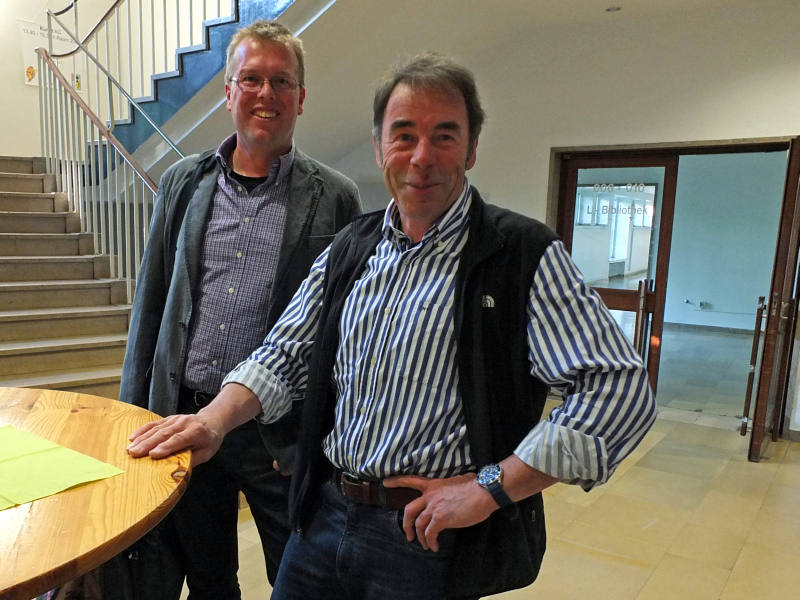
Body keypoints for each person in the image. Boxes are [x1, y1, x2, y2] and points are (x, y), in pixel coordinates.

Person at [128, 53, 656, 600]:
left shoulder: (520, 254)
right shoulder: (352, 248)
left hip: (427, 539)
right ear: (380, 147)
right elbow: (284, 354)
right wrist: (213, 421)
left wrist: (490, 487)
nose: (422, 157)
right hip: (325, 518)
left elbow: (620, 391)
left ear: (472, 149)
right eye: (404, 136)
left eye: (444, 136)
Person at [114, 19, 362, 600]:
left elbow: (343, 332)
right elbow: (151, 304)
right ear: (228, 92)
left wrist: (327, 435)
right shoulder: (182, 183)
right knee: (207, 576)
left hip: (281, 436)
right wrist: (133, 414)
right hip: (187, 418)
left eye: (281, 81)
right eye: (250, 79)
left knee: (300, 578)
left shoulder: (336, 197)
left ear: (301, 97)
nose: (265, 94)